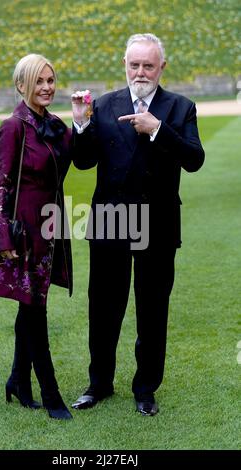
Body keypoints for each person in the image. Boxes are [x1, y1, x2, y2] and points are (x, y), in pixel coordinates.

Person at [71, 33, 205, 416]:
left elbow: (194, 159)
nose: (140, 72)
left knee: (152, 310)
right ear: (124, 65)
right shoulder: (105, 104)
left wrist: (158, 129)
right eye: (134, 65)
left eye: (148, 65)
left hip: (159, 224)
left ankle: (145, 389)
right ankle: (99, 384)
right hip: (111, 222)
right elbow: (82, 162)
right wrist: (80, 125)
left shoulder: (180, 107)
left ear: (162, 67)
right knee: (103, 308)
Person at [0, 53, 73, 420]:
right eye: (38, 81)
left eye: (51, 80)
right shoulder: (13, 127)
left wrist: (84, 123)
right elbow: (1, 185)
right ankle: (51, 394)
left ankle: (17, 381)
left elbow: (79, 156)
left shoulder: (55, 124)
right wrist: (3, 239)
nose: (46, 88)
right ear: (22, 85)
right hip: (23, 234)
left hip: (50, 231)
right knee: (36, 311)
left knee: (31, 306)